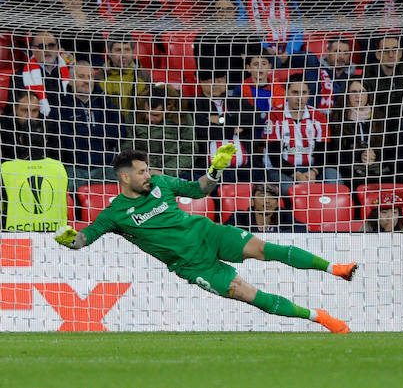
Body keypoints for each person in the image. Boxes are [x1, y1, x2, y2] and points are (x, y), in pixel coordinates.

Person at [53, 147, 356, 333]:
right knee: (249, 294)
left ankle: (336, 268)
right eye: (142, 172)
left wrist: (215, 170)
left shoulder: (160, 183)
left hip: (208, 233)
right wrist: (70, 239)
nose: (148, 175)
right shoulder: (115, 214)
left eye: (147, 170)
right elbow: (85, 238)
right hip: (192, 264)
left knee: (265, 249)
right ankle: (319, 317)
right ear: (125, 178)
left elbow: (199, 189)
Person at [56, 60, 122, 192]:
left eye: (90, 77)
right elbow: (65, 140)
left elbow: (118, 132)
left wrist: (84, 133)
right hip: (73, 168)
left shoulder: (105, 103)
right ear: (70, 80)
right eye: (81, 76)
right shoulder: (60, 106)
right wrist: (98, 134)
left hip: (104, 167)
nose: (87, 81)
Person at [121, 85, 197, 178]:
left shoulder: (182, 117)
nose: (149, 118)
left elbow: (190, 150)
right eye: (146, 113)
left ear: (168, 108)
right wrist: (144, 169)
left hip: (174, 171)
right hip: (141, 170)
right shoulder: (134, 115)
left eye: (155, 115)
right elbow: (127, 147)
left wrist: (165, 172)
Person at [225, 183, 301, 233]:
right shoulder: (239, 217)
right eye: (262, 196)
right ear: (252, 201)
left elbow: (301, 229)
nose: (267, 201)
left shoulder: (284, 215)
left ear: (277, 202)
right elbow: (224, 233)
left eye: (272, 197)